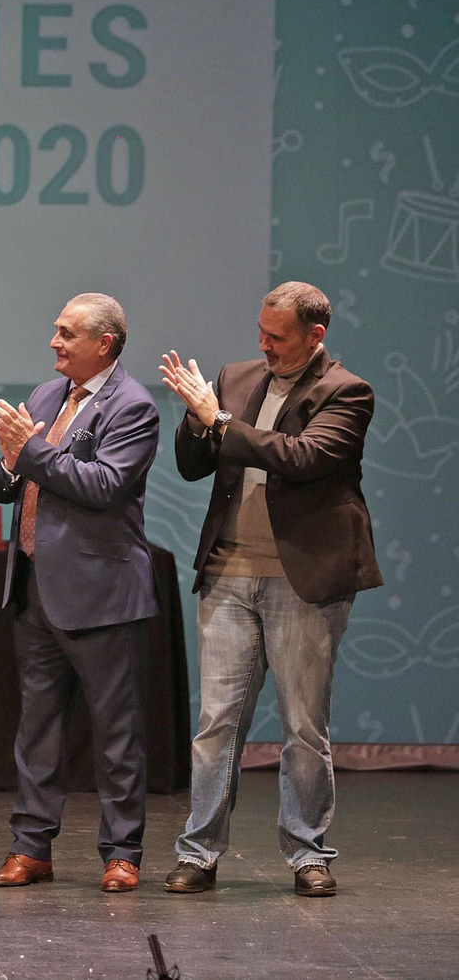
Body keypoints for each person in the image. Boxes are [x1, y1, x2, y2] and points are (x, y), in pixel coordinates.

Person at [159, 281, 381, 898]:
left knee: (304, 726)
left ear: (316, 335)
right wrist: (198, 419)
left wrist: (218, 419)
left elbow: (302, 457)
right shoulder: (236, 377)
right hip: (229, 574)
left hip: (301, 580)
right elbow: (193, 463)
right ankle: (199, 853)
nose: (264, 344)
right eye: (261, 331)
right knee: (215, 723)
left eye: (277, 337)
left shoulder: (346, 391)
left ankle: (308, 852)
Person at [0, 292, 159, 893]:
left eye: (66, 333)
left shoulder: (133, 406)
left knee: (115, 732)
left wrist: (28, 451)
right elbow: (10, 483)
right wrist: (7, 462)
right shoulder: (44, 396)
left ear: (104, 343)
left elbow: (105, 486)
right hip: (36, 589)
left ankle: (122, 852)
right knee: (37, 729)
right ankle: (31, 848)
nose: (54, 342)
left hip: (102, 594)